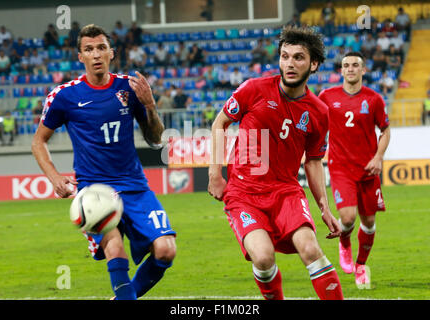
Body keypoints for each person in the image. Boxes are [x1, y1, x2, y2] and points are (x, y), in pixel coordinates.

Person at [31, 24, 176, 300]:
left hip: (135, 186)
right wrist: (54, 178)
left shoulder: (129, 88)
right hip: (93, 191)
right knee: (114, 248)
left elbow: (156, 139)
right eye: (88, 49)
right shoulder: (64, 96)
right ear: (80, 57)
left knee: (166, 250)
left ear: (112, 53)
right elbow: (38, 141)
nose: (96, 54)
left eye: (101, 48)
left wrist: (150, 106)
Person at [208, 25, 344, 300]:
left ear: (314, 64)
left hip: (285, 192)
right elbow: (220, 123)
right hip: (244, 193)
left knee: (310, 248)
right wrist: (215, 174)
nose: (290, 64)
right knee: (263, 257)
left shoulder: (319, 112)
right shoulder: (254, 89)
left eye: (298, 57)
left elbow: (314, 162)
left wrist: (325, 208)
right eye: (285, 56)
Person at [318, 52, 390, 289]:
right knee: (348, 218)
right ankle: (345, 243)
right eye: (346, 65)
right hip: (341, 169)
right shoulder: (327, 97)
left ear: (363, 70)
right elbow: (315, 123)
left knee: (369, 222)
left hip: (368, 170)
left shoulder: (374, 99)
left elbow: (385, 131)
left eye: (355, 65)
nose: (350, 69)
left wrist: (378, 157)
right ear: (341, 70)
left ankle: (361, 266)